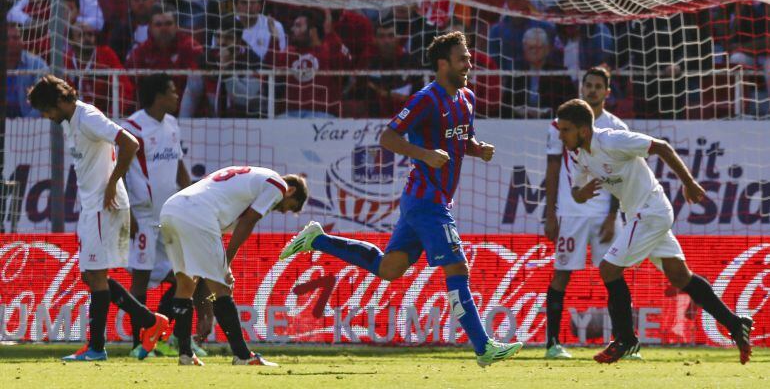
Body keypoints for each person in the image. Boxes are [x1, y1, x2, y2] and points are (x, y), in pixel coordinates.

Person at [279, 32, 523, 368]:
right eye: (462, 58)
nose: (469, 63)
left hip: (426, 201)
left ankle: (317, 238)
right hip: (427, 200)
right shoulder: (426, 99)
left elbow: (461, 139)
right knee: (457, 267)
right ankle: (483, 347)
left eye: (468, 57)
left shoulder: (467, 98)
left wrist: (476, 149)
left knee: (389, 268)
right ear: (443, 64)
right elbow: (388, 136)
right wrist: (423, 153)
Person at [555, 98, 754, 364]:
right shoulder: (578, 154)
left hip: (651, 210)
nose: (561, 135)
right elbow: (576, 194)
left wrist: (689, 183)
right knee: (680, 276)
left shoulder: (612, 140)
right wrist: (583, 193)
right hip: (639, 214)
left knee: (608, 269)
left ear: (582, 130)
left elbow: (661, 147)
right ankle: (735, 323)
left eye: (565, 130)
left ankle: (626, 339)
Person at [27, 75, 169, 361]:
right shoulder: (70, 122)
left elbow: (130, 144)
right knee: (90, 275)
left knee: (95, 275)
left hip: (105, 205)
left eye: (46, 110)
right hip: (91, 206)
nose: (45, 116)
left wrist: (113, 183)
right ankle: (151, 321)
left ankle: (96, 347)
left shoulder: (89, 116)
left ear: (58, 101)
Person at [159, 167, 308, 366]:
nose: (282, 211)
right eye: (289, 207)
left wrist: (221, 267)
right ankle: (243, 356)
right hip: (196, 213)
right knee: (222, 289)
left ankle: (185, 354)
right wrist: (226, 263)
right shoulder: (277, 185)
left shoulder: (244, 186)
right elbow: (248, 221)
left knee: (185, 285)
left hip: (171, 209)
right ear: (290, 191)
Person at [542, 67, 630, 359]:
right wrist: (551, 213)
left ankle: (624, 342)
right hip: (572, 213)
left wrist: (611, 215)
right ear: (582, 88)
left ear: (607, 92)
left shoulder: (617, 127)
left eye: (598, 86)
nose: (592, 90)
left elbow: (622, 174)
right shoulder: (560, 125)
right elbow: (553, 168)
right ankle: (552, 344)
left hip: (606, 213)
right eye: (588, 85)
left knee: (613, 275)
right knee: (561, 274)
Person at [122, 73, 211, 358]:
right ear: (158, 96)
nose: (177, 97)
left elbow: (178, 164)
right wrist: (128, 215)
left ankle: (166, 336)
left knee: (181, 278)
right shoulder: (132, 127)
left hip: (171, 214)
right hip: (145, 217)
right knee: (141, 281)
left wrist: (193, 196)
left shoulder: (172, 125)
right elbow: (119, 174)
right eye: (173, 92)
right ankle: (139, 343)